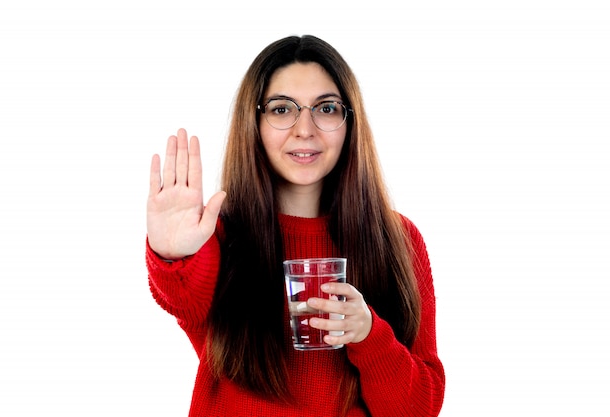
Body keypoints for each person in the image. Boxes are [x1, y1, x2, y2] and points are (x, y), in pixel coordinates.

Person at [146, 35, 445, 416]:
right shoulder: (217, 235)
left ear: (349, 122)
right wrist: (172, 255)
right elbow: (183, 297)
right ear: (253, 123)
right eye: (282, 109)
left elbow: (420, 408)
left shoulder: (396, 239)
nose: (305, 129)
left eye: (327, 108)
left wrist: (370, 336)